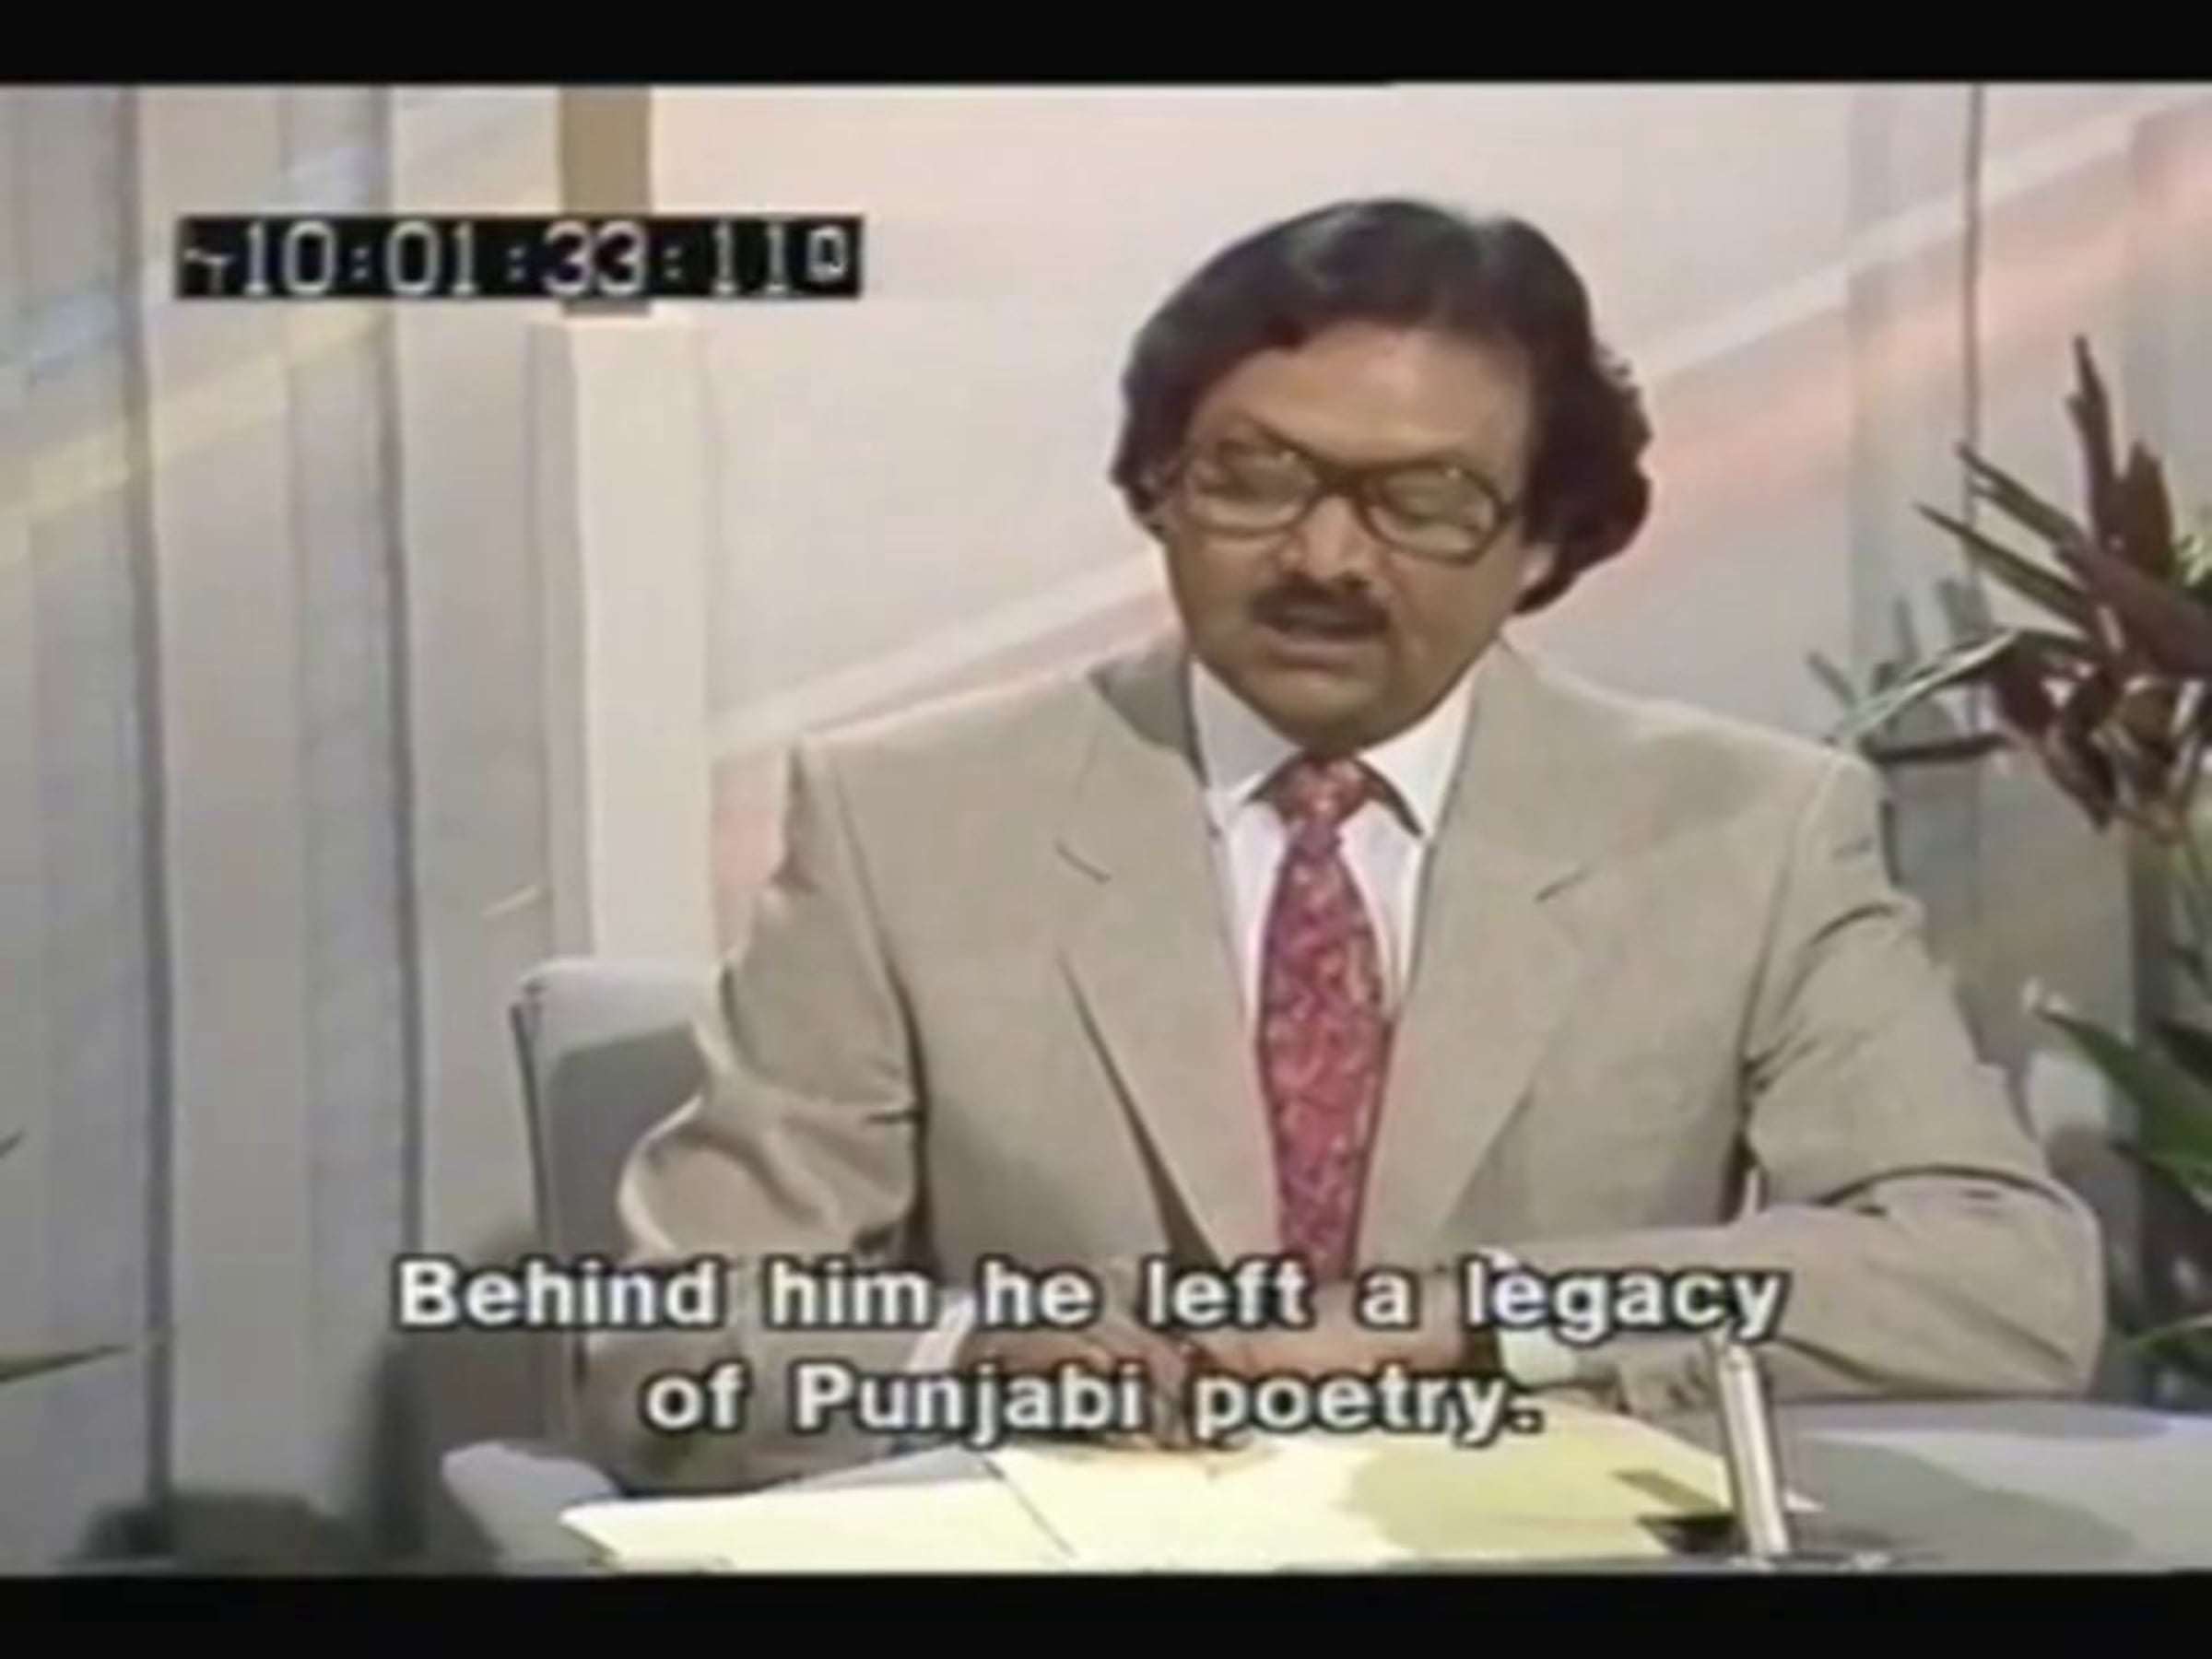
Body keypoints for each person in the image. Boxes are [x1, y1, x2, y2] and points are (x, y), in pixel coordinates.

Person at [576, 197, 2104, 1494]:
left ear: (1546, 541)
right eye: (1254, 478)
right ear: (1158, 492)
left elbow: (2003, 1281)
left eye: (1423, 503)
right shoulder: (904, 816)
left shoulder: (1747, 830)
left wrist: (1481, 1322)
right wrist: (971, 1356)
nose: (1321, 559)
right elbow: (670, 1340)